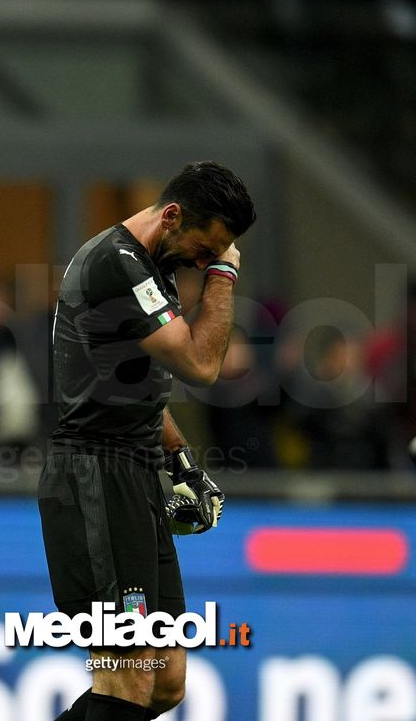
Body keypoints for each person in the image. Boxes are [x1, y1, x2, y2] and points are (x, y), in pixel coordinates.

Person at [39, 161, 256, 721]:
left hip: (132, 476)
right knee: (129, 672)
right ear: (174, 216)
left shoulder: (147, 268)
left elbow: (134, 391)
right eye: (205, 249)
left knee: (165, 681)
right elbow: (201, 364)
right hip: (95, 480)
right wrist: (224, 277)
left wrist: (181, 460)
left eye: (217, 255)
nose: (206, 261)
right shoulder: (116, 264)